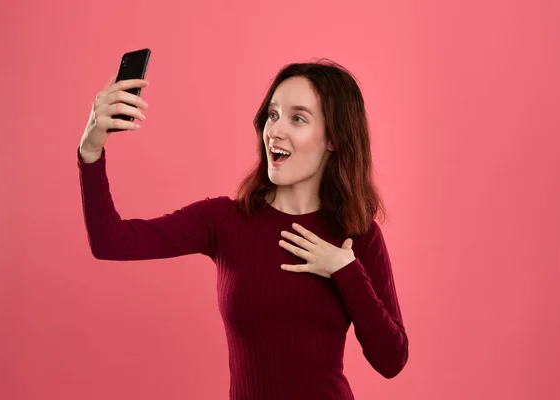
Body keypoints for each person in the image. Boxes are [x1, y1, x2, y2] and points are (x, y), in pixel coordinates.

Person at [77, 59, 409, 399]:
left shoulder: (357, 235)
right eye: (273, 114)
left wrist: (344, 269)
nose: (275, 130)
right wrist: (90, 150)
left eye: (298, 118)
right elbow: (110, 241)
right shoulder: (224, 221)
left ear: (334, 139)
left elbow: (392, 359)